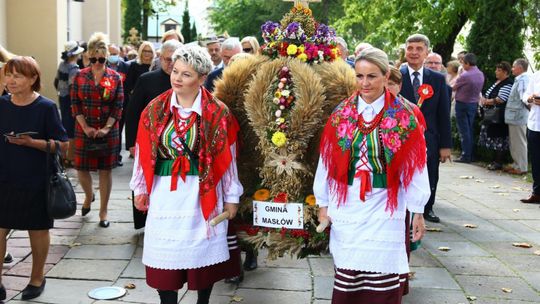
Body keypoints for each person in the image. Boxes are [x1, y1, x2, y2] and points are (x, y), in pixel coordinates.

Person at [314, 47, 430, 304]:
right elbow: (327, 161)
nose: (364, 83)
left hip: (386, 205)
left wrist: (418, 210)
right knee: (348, 270)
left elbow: (416, 167)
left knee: (381, 271)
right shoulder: (341, 113)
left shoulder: (403, 116)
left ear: (386, 75)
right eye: (359, 76)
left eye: (372, 76)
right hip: (347, 203)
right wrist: (323, 203)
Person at [129, 44, 243, 304]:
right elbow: (143, 152)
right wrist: (140, 189)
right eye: (175, 71)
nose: (177, 78)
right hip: (165, 194)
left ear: (202, 78)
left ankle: (203, 301)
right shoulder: (155, 109)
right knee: (164, 262)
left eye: (186, 74)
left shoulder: (217, 113)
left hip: (201, 194)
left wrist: (232, 196)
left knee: (202, 260)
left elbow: (229, 159)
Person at [0, 56, 68, 301]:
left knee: (37, 230)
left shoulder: (46, 107)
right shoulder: (2, 104)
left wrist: (32, 143)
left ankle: (37, 277)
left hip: (36, 179)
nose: (11, 80)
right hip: (4, 177)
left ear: (33, 79)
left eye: (17, 76)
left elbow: (63, 146)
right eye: (8, 74)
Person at [125, 39, 182, 229]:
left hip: (177, 142)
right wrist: (132, 143)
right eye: (167, 60)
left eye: (175, 60)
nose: (171, 64)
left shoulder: (185, 81)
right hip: (149, 141)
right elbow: (133, 112)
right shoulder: (146, 79)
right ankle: (143, 219)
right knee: (144, 180)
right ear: (160, 58)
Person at [71, 32, 124, 228]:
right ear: (88, 57)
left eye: (101, 59)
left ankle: (103, 211)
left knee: (105, 170)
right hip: (83, 127)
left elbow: (118, 106)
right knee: (81, 168)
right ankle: (88, 196)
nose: (97, 63)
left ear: (106, 57)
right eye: (93, 59)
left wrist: (106, 128)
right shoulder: (79, 76)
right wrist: (85, 126)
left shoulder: (115, 77)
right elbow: (74, 103)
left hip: (108, 129)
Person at [399, 34, 451, 223]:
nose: (414, 52)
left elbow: (443, 113)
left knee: (430, 173)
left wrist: (445, 145)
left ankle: (427, 208)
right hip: (399, 137)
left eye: (419, 49)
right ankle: (402, 208)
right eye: (410, 48)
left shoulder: (437, 79)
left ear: (426, 52)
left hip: (429, 138)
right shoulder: (395, 75)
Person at [478, 61, 513, 171]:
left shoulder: (508, 83)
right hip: (491, 115)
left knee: (499, 140)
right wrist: (483, 99)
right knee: (493, 138)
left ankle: (498, 162)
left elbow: (501, 99)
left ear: (505, 72)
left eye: (499, 70)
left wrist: (487, 101)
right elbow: (489, 94)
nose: (496, 72)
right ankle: (494, 160)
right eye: (496, 69)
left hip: (499, 117)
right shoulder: (497, 82)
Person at [54, 41, 84, 167]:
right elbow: (73, 87)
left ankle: (64, 156)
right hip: (70, 100)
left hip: (62, 97)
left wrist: (61, 92)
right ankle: (70, 158)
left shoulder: (62, 64)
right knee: (71, 129)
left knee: (65, 126)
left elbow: (56, 82)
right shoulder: (74, 68)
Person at [453, 53, 485, 163]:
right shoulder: (480, 74)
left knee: (464, 131)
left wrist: (459, 74)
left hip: (462, 104)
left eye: (463, 63)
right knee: (469, 129)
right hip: (473, 103)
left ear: (467, 63)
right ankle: (470, 154)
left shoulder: (465, 75)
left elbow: (453, 87)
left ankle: (466, 155)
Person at [503, 58, 530, 175]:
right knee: (515, 141)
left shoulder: (523, 80)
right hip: (515, 115)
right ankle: (516, 163)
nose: (512, 69)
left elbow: (525, 99)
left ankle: (521, 167)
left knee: (519, 142)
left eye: (513, 67)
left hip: (518, 116)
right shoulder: (520, 79)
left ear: (519, 68)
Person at [520, 71, 540, 204]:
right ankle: (537, 193)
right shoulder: (536, 75)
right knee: (536, 160)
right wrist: (531, 99)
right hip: (534, 124)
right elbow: (525, 95)